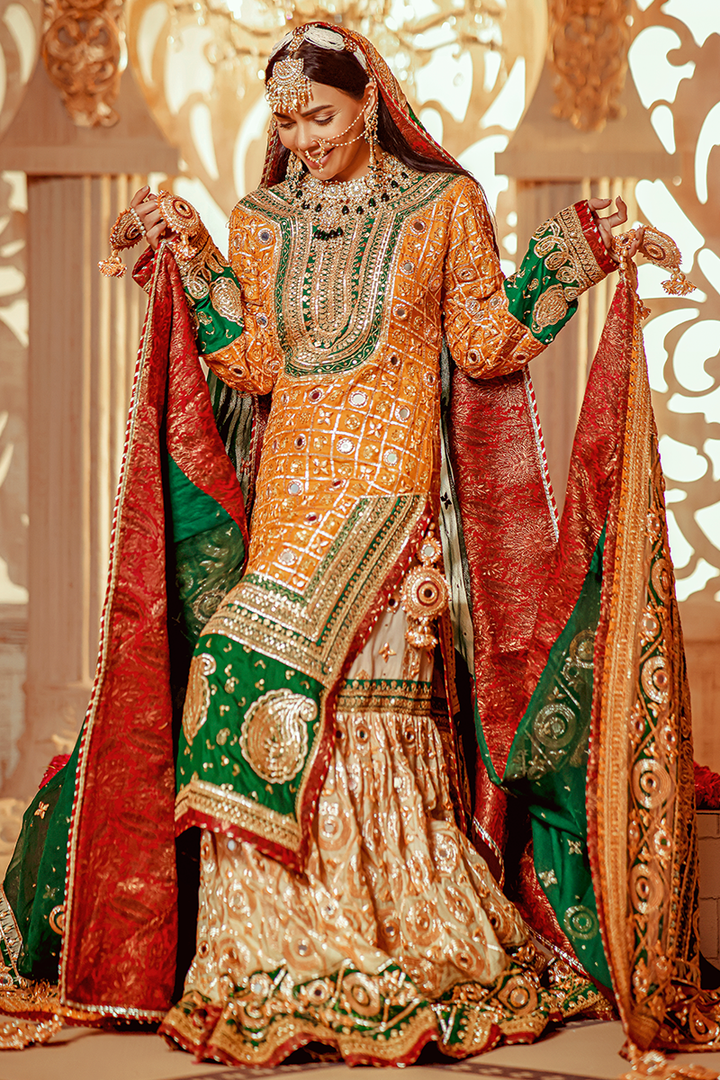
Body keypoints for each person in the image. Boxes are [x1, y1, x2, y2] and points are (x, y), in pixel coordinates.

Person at [5, 19, 710, 1069]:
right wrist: (196, 265)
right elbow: (251, 366)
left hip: (390, 505)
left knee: (352, 704)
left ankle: (405, 931)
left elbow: (484, 341)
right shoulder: (264, 217)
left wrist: (584, 254)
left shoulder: (444, 208)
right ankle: (259, 956)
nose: (304, 135)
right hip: (289, 512)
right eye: (286, 118)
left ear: (370, 101)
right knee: (231, 667)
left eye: (321, 114)